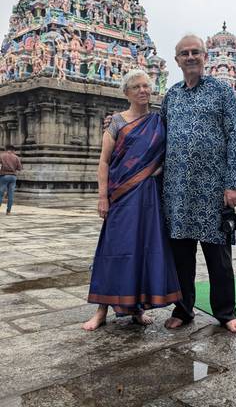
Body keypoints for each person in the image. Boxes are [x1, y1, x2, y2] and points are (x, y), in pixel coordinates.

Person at [82, 69, 181, 331]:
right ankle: (101, 310)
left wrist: (157, 169)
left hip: (149, 196)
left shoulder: (159, 122)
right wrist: (102, 196)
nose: (143, 90)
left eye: (147, 86)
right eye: (136, 86)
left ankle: (137, 309)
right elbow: (104, 161)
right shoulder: (116, 122)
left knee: (144, 249)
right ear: (126, 92)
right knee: (114, 249)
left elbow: (169, 153)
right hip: (121, 195)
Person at [161, 35, 236, 333]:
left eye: (195, 52)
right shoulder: (171, 96)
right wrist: (117, 125)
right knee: (181, 258)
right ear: (177, 60)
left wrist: (234, 184)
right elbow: (156, 137)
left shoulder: (222, 92)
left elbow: (235, 136)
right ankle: (183, 310)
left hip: (212, 192)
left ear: (205, 56)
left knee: (218, 258)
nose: (190, 57)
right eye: (184, 53)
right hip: (178, 192)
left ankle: (225, 312)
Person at [0, 145, 22, 215]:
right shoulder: (16, 157)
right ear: (13, 150)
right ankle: (8, 211)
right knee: (11, 194)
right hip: (13, 177)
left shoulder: (1, 156)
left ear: (6, 149)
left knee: (1, 193)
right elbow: (19, 168)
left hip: (4, 176)